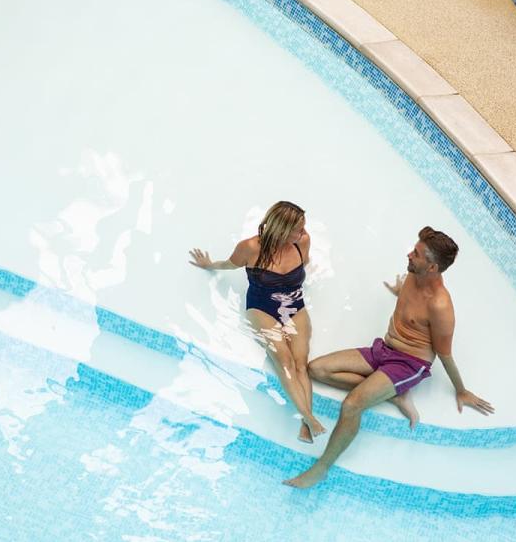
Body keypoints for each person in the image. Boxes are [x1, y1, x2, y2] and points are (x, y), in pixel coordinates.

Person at [284, 226, 494, 488]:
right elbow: (409, 306)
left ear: (432, 268)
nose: (409, 255)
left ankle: (321, 469)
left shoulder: (440, 306)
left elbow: (444, 353)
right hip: (383, 350)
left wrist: (461, 390)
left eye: (416, 254)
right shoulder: (412, 275)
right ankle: (394, 395)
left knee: (352, 405)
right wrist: (399, 291)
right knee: (317, 369)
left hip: (408, 364)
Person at [189, 201, 326, 443]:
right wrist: (209, 265)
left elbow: (304, 263)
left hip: (294, 303)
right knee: (284, 360)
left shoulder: (302, 242)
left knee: (301, 363)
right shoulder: (250, 248)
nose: (304, 232)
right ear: (283, 230)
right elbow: (230, 265)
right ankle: (309, 417)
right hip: (262, 306)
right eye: (299, 228)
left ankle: (307, 424)